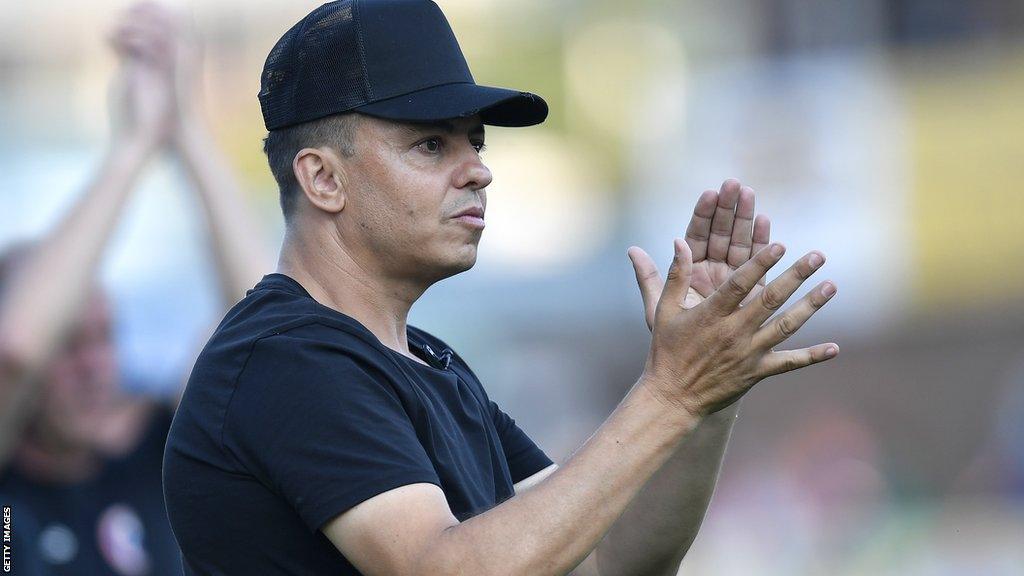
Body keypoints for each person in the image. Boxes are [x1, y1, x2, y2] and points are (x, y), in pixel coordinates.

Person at [162, 1, 839, 575]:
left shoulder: (428, 363)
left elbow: (611, 558)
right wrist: (671, 391)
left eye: (475, 143)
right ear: (323, 180)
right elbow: (443, 569)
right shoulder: (290, 360)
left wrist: (706, 399)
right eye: (432, 145)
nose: (478, 171)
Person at [0, 4, 270, 574]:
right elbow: (16, 350)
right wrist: (129, 149)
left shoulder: (158, 451)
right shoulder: (10, 490)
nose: (97, 365)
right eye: (68, 345)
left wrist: (187, 130)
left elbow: (268, 324)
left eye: (105, 337)